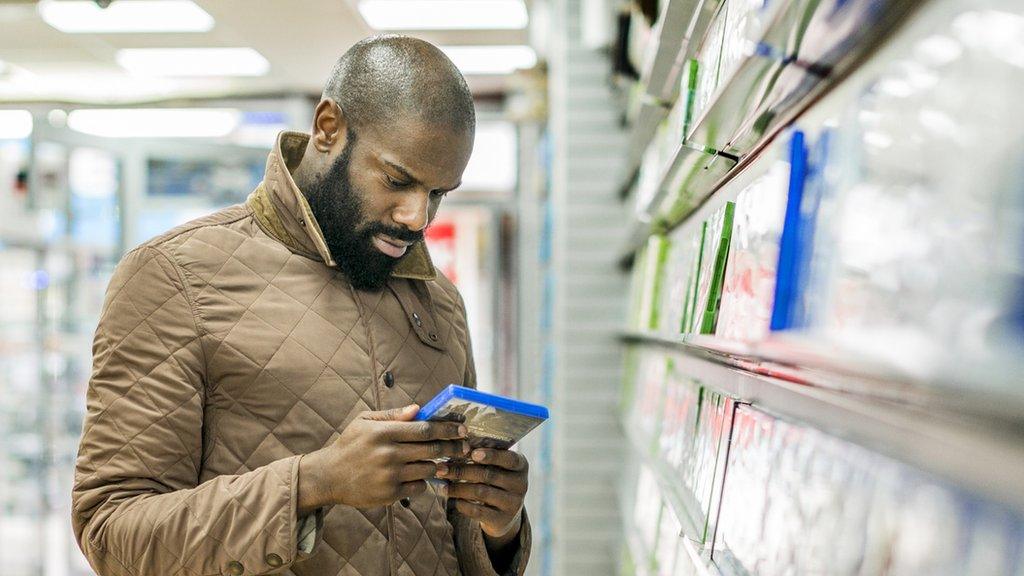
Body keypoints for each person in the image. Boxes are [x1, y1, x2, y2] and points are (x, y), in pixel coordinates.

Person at [71, 35, 531, 576]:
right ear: (328, 128)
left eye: (438, 193)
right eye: (398, 180)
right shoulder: (175, 276)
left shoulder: (439, 301)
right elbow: (111, 532)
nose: (416, 217)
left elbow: (447, 538)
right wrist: (314, 483)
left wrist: (499, 527)